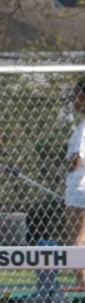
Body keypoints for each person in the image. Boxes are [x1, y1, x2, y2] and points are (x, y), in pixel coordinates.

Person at [65, 79, 85, 287]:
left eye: (76, 96)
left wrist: (68, 164)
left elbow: (77, 158)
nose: (74, 101)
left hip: (79, 190)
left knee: (75, 238)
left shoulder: (83, 129)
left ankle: (82, 281)